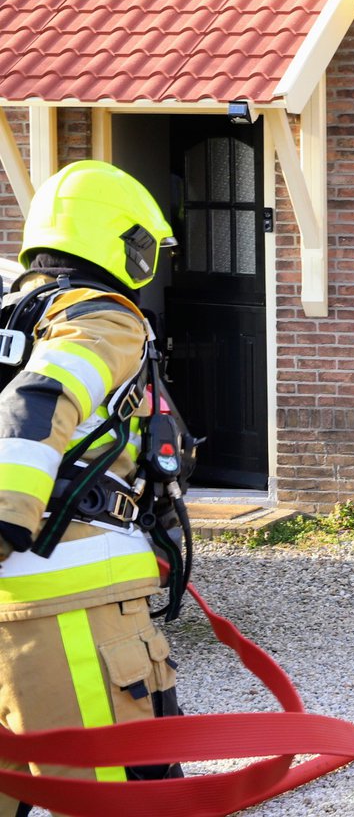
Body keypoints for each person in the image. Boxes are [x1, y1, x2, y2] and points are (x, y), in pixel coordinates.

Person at [0, 160, 183, 811]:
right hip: (71, 607)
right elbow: (42, 398)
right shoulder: (102, 317)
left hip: (13, 613)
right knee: (127, 799)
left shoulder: (12, 319)